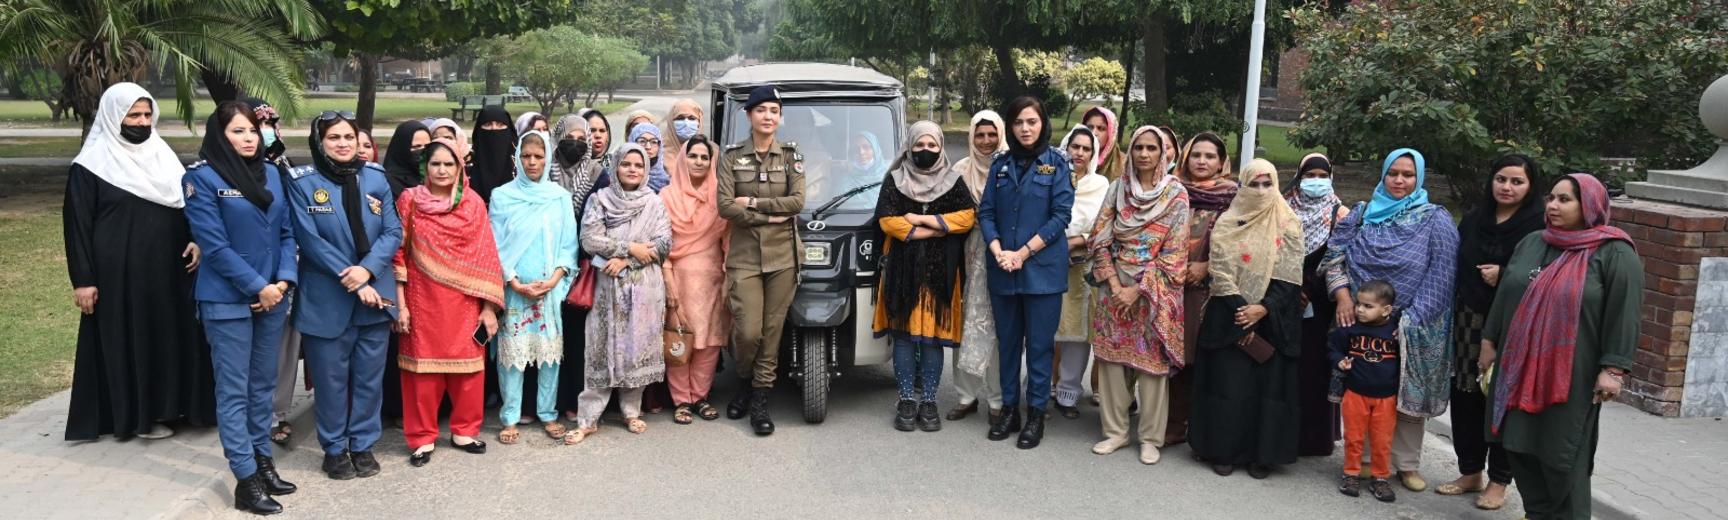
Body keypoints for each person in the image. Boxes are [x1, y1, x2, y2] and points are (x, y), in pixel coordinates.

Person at [1483, 173, 1640, 519]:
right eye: (1550, 198)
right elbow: (1507, 291)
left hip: (1572, 376)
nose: (1553, 205)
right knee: (1518, 446)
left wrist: (1613, 369)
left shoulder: (1614, 252)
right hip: (1518, 367)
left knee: (1562, 456)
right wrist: (1489, 339)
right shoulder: (1534, 241)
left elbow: (1624, 314)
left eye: (1565, 200)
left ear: (1590, 206)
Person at [63, 82, 212, 442]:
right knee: (133, 338)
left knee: (170, 335)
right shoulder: (90, 165)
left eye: (147, 114)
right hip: (120, 277)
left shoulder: (162, 155)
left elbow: (186, 205)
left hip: (170, 271)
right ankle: (139, 417)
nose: (142, 122)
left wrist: (196, 240)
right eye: (133, 115)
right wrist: (83, 280)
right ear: (114, 116)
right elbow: (77, 225)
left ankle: (177, 408)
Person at [1321, 148, 1459, 492]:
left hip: (1412, 324)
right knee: (1363, 391)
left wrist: (1411, 319)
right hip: (1362, 319)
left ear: (1419, 179)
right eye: (1393, 173)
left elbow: (1442, 274)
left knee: (1405, 398)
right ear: (1383, 175)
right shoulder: (1362, 214)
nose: (1399, 181)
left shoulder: (1434, 219)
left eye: (1408, 175)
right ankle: (1364, 462)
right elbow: (1334, 256)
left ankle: (1406, 465)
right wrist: (1343, 296)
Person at [183, 101, 297, 515]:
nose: (249, 138)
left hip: (272, 297)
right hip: (228, 301)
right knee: (233, 392)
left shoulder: (271, 174)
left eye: (252, 131)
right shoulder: (201, 178)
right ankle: (245, 481)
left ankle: (262, 461)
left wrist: (282, 281)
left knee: (262, 386)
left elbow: (287, 233)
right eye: (238, 131)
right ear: (219, 135)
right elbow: (213, 245)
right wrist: (258, 286)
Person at [287, 111, 402, 481]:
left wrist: (367, 270)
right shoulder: (302, 182)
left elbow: (391, 231)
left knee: (369, 378)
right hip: (328, 297)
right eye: (333, 137)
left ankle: (363, 444)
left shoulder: (375, 177)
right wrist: (354, 279)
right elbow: (309, 239)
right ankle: (334, 449)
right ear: (319, 142)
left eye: (348, 137)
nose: (342, 144)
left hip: (375, 296)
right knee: (331, 380)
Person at [1190, 158, 1306, 479]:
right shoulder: (1230, 221)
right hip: (1228, 312)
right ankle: (1222, 451)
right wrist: (1242, 310)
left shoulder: (1288, 222)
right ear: (1242, 185)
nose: (1261, 190)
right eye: (1253, 183)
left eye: (1267, 183)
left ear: (1277, 185)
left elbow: (1290, 274)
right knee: (1228, 385)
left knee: (1265, 389)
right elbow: (1221, 269)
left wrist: (1263, 308)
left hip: (1274, 317)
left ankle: (1261, 456)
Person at [391, 138, 504, 466]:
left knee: (468, 372)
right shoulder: (410, 201)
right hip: (421, 298)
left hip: (465, 301)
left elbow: (486, 256)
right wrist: (401, 303)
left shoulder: (473, 204)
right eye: (435, 164)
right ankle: (422, 438)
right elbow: (398, 253)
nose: (442, 170)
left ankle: (465, 431)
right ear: (425, 167)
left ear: (459, 167)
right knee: (421, 375)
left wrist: (488, 307)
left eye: (449, 164)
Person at [1441, 154, 1543, 508]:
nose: (1507, 187)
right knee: (1466, 398)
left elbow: (1549, 278)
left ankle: (1499, 482)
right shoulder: (1474, 218)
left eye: (1517, 181)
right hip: (1468, 324)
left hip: (1513, 326)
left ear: (1531, 187)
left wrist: (1507, 276)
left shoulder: (1539, 228)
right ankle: (1470, 472)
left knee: (1501, 403)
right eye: (1501, 179)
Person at [1085, 126, 1189, 465]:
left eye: (1151, 148)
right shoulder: (1118, 189)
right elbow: (1099, 238)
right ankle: (1115, 432)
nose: (1144, 154)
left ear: (1163, 153)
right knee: (1112, 362)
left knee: (1152, 367)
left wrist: (1138, 289)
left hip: (1154, 291)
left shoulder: (1175, 194)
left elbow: (1175, 252)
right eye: (1138, 147)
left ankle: (1150, 438)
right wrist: (1116, 286)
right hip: (1113, 288)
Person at [978, 95, 1074, 449]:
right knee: (1007, 345)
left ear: (1042, 123)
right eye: (1018, 123)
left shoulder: (1057, 164)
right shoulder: (1000, 164)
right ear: (1011, 127)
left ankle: (1035, 414)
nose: (1025, 128)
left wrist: (1022, 252)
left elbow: (1060, 216)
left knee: (1038, 346)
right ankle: (1008, 410)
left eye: (1031, 121)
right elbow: (986, 212)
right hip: (1003, 267)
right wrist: (999, 250)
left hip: (1042, 272)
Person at [872, 120, 975, 432]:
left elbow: (967, 217)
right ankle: (906, 398)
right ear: (910, 146)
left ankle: (929, 400)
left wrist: (923, 219)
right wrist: (926, 233)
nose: (926, 151)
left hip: (940, 274)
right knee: (904, 337)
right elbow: (887, 221)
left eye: (932, 145)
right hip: (903, 272)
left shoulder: (953, 180)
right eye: (920, 145)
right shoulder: (895, 179)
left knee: (932, 341)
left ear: (941, 147)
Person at [715, 86, 806, 436]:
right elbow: (724, 206)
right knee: (748, 331)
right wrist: (769, 216)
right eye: (761, 110)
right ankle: (743, 380)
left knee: (771, 332)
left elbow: (797, 202)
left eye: (774, 110)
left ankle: (759, 400)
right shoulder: (732, 156)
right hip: (745, 258)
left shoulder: (791, 155)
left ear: (780, 117)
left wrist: (752, 204)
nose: (768, 116)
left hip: (783, 256)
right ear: (749, 115)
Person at [568, 143, 672, 444]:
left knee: (636, 344)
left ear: (646, 170)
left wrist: (628, 259)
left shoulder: (654, 202)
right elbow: (589, 239)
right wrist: (627, 248)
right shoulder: (600, 200)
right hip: (607, 287)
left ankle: (631, 411)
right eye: (626, 164)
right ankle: (589, 418)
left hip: (643, 286)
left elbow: (664, 243)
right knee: (601, 346)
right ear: (615, 166)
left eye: (638, 165)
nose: (632, 170)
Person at [489, 131, 578, 442]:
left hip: (549, 291)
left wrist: (554, 279)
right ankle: (510, 417)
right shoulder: (502, 196)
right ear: (517, 157)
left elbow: (569, 245)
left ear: (548, 159)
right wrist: (513, 281)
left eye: (539, 156)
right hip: (514, 289)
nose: (532, 162)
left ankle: (548, 413)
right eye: (526, 155)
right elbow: (495, 245)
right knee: (512, 357)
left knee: (549, 356)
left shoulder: (559, 197)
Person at [1168, 131, 1237, 445]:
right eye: (1196, 155)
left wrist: (1206, 265)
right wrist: (1175, 267)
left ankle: (1190, 422)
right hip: (1169, 281)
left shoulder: (1233, 197)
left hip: (1210, 288)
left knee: (1196, 354)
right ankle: (1166, 419)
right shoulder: (1171, 190)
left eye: (1210, 156)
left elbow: (1239, 242)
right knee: (1167, 351)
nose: (1202, 161)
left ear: (1222, 162)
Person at [243, 97, 304, 446]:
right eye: (255, 124)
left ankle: (276, 412)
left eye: (270, 123)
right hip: (244, 274)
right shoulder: (216, 168)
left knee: (281, 347)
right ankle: (247, 416)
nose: (264, 132)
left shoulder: (285, 167)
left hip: (286, 272)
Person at [662, 135, 732, 424]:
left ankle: (700, 397)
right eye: (693, 156)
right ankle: (681, 401)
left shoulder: (720, 200)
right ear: (683, 159)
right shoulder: (666, 197)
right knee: (679, 340)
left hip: (712, 280)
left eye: (705, 157)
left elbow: (728, 241)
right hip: (678, 279)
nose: (699, 162)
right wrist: (667, 281)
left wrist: (728, 276)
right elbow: (659, 243)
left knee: (708, 342)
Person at [948, 110, 1008, 423]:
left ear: (1001, 134)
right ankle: (966, 396)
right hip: (966, 255)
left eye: (991, 134)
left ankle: (997, 400)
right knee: (966, 323)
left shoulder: (1011, 167)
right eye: (980, 135)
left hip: (1002, 255)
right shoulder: (960, 170)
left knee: (997, 327)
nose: (986, 141)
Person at [1288, 152, 1348, 457]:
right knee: (1288, 365)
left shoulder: (1340, 213)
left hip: (1321, 301)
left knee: (1314, 366)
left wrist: (1311, 288)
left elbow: (1340, 257)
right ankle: (1285, 432)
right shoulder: (1285, 207)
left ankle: (1315, 439)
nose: (1316, 182)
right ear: (1299, 178)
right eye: (1309, 175)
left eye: (1322, 176)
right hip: (1285, 294)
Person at [1051, 125, 1111, 419]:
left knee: (1076, 332)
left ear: (1094, 153)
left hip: (1082, 266)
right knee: (1045, 329)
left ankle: (1067, 395)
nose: (1079, 153)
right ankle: (1038, 389)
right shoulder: (1050, 176)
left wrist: (1076, 241)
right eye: (1075, 146)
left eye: (1086, 149)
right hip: (1047, 260)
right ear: (1066, 147)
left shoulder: (1101, 186)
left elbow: (1103, 226)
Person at [1331, 280, 1402, 503]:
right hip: (1355, 394)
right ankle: (1351, 473)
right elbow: (1332, 348)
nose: (1360, 309)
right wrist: (1339, 361)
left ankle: (1380, 478)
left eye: (1368, 306)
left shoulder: (1396, 332)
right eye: (1358, 304)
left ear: (1386, 310)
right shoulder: (1350, 329)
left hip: (1386, 398)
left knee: (1382, 440)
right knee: (1353, 437)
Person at [469, 105, 518, 203]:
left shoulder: (521, 164)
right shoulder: (466, 164)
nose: (494, 129)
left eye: (500, 124)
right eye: (488, 124)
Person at [382, 121, 433, 197]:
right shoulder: (387, 183)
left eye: (427, 146)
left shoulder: (434, 176)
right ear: (402, 148)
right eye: (416, 146)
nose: (423, 151)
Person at [1080, 106, 1125, 179]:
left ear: (1111, 133)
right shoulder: (1073, 158)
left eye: (1101, 128)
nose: (1094, 133)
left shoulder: (1124, 164)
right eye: (1090, 127)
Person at [627, 122, 672, 193]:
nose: (648, 147)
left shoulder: (668, 182)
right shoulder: (623, 178)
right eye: (642, 141)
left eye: (654, 142)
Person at [663, 99, 705, 163]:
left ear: (700, 122)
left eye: (692, 118)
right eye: (680, 118)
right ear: (671, 122)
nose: (686, 123)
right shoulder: (658, 154)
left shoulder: (710, 152)